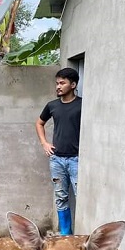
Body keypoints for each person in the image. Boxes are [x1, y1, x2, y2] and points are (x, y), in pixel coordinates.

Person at [35, 67, 82, 235]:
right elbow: (39, 123)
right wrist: (44, 143)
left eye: (62, 83)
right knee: (61, 197)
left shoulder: (82, 105)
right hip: (57, 160)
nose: (58, 86)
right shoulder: (52, 106)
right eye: (57, 83)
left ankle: (81, 235)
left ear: (73, 84)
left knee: (80, 196)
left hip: (77, 160)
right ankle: (65, 235)